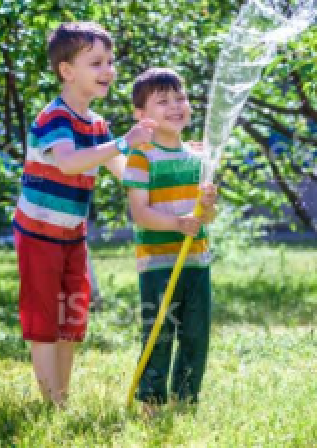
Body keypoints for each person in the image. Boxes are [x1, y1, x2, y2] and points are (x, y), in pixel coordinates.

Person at [12, 21, 153, 406]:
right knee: (43, 320)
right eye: (96, 62)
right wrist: (125, 141)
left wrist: (166, 156)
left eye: (110, 61)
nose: (108, 70)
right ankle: (52, 405)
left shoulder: (96, 125)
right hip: (38, 234)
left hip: (71, 236)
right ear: (67, 71)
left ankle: (62, 396)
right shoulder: (55, 117)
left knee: (69, 319)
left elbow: (126, 171)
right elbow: (71, 163)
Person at [122, 67, 218, 414]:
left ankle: (186, 399)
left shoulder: (197, 158)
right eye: (163, 101)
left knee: (195, 335)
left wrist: (207, 208)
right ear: (141, 115)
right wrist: (178, 223)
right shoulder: (142, 156)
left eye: (180, 98)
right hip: (157, 262)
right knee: (159, 334)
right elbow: (140, 213)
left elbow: (204, 218)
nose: (176, 106)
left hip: (196, 260)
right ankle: (150, 402)